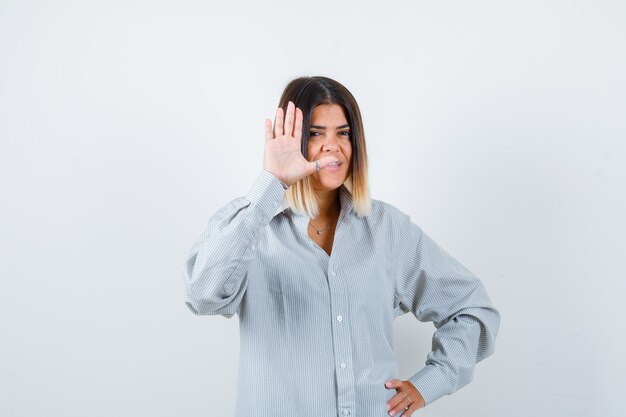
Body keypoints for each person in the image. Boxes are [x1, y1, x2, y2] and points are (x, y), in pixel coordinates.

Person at [181, 76, 500, 417]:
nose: (332, 145)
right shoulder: (251, 225)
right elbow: (202, 295)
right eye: (316, 133)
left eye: (343, 133)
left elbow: (471, 307)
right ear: (294, 140)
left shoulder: (387, 229)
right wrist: (272, 183)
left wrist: (430, 383)